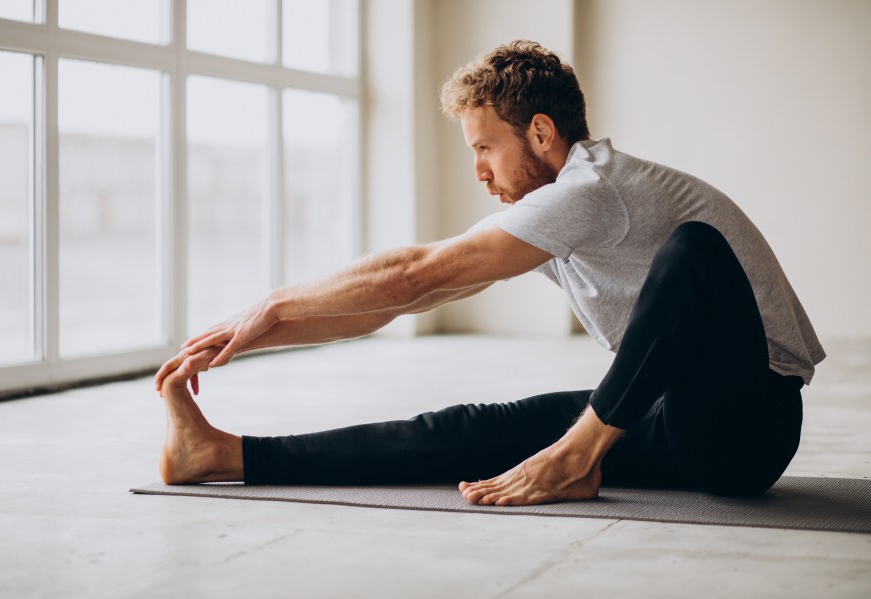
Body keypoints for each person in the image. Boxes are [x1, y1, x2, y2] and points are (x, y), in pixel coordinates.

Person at [154, 40, 825, 506]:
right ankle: (220, 454)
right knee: (472, 427)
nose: (478, 172)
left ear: (540, 133)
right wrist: (243, 341)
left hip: (749, 426)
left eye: (485, 148)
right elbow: (408, 296)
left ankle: (574, 457)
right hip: (676, 419)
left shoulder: (594, 188)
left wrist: (272, 304)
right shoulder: (558, 211)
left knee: (696, 251)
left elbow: (413, 272)